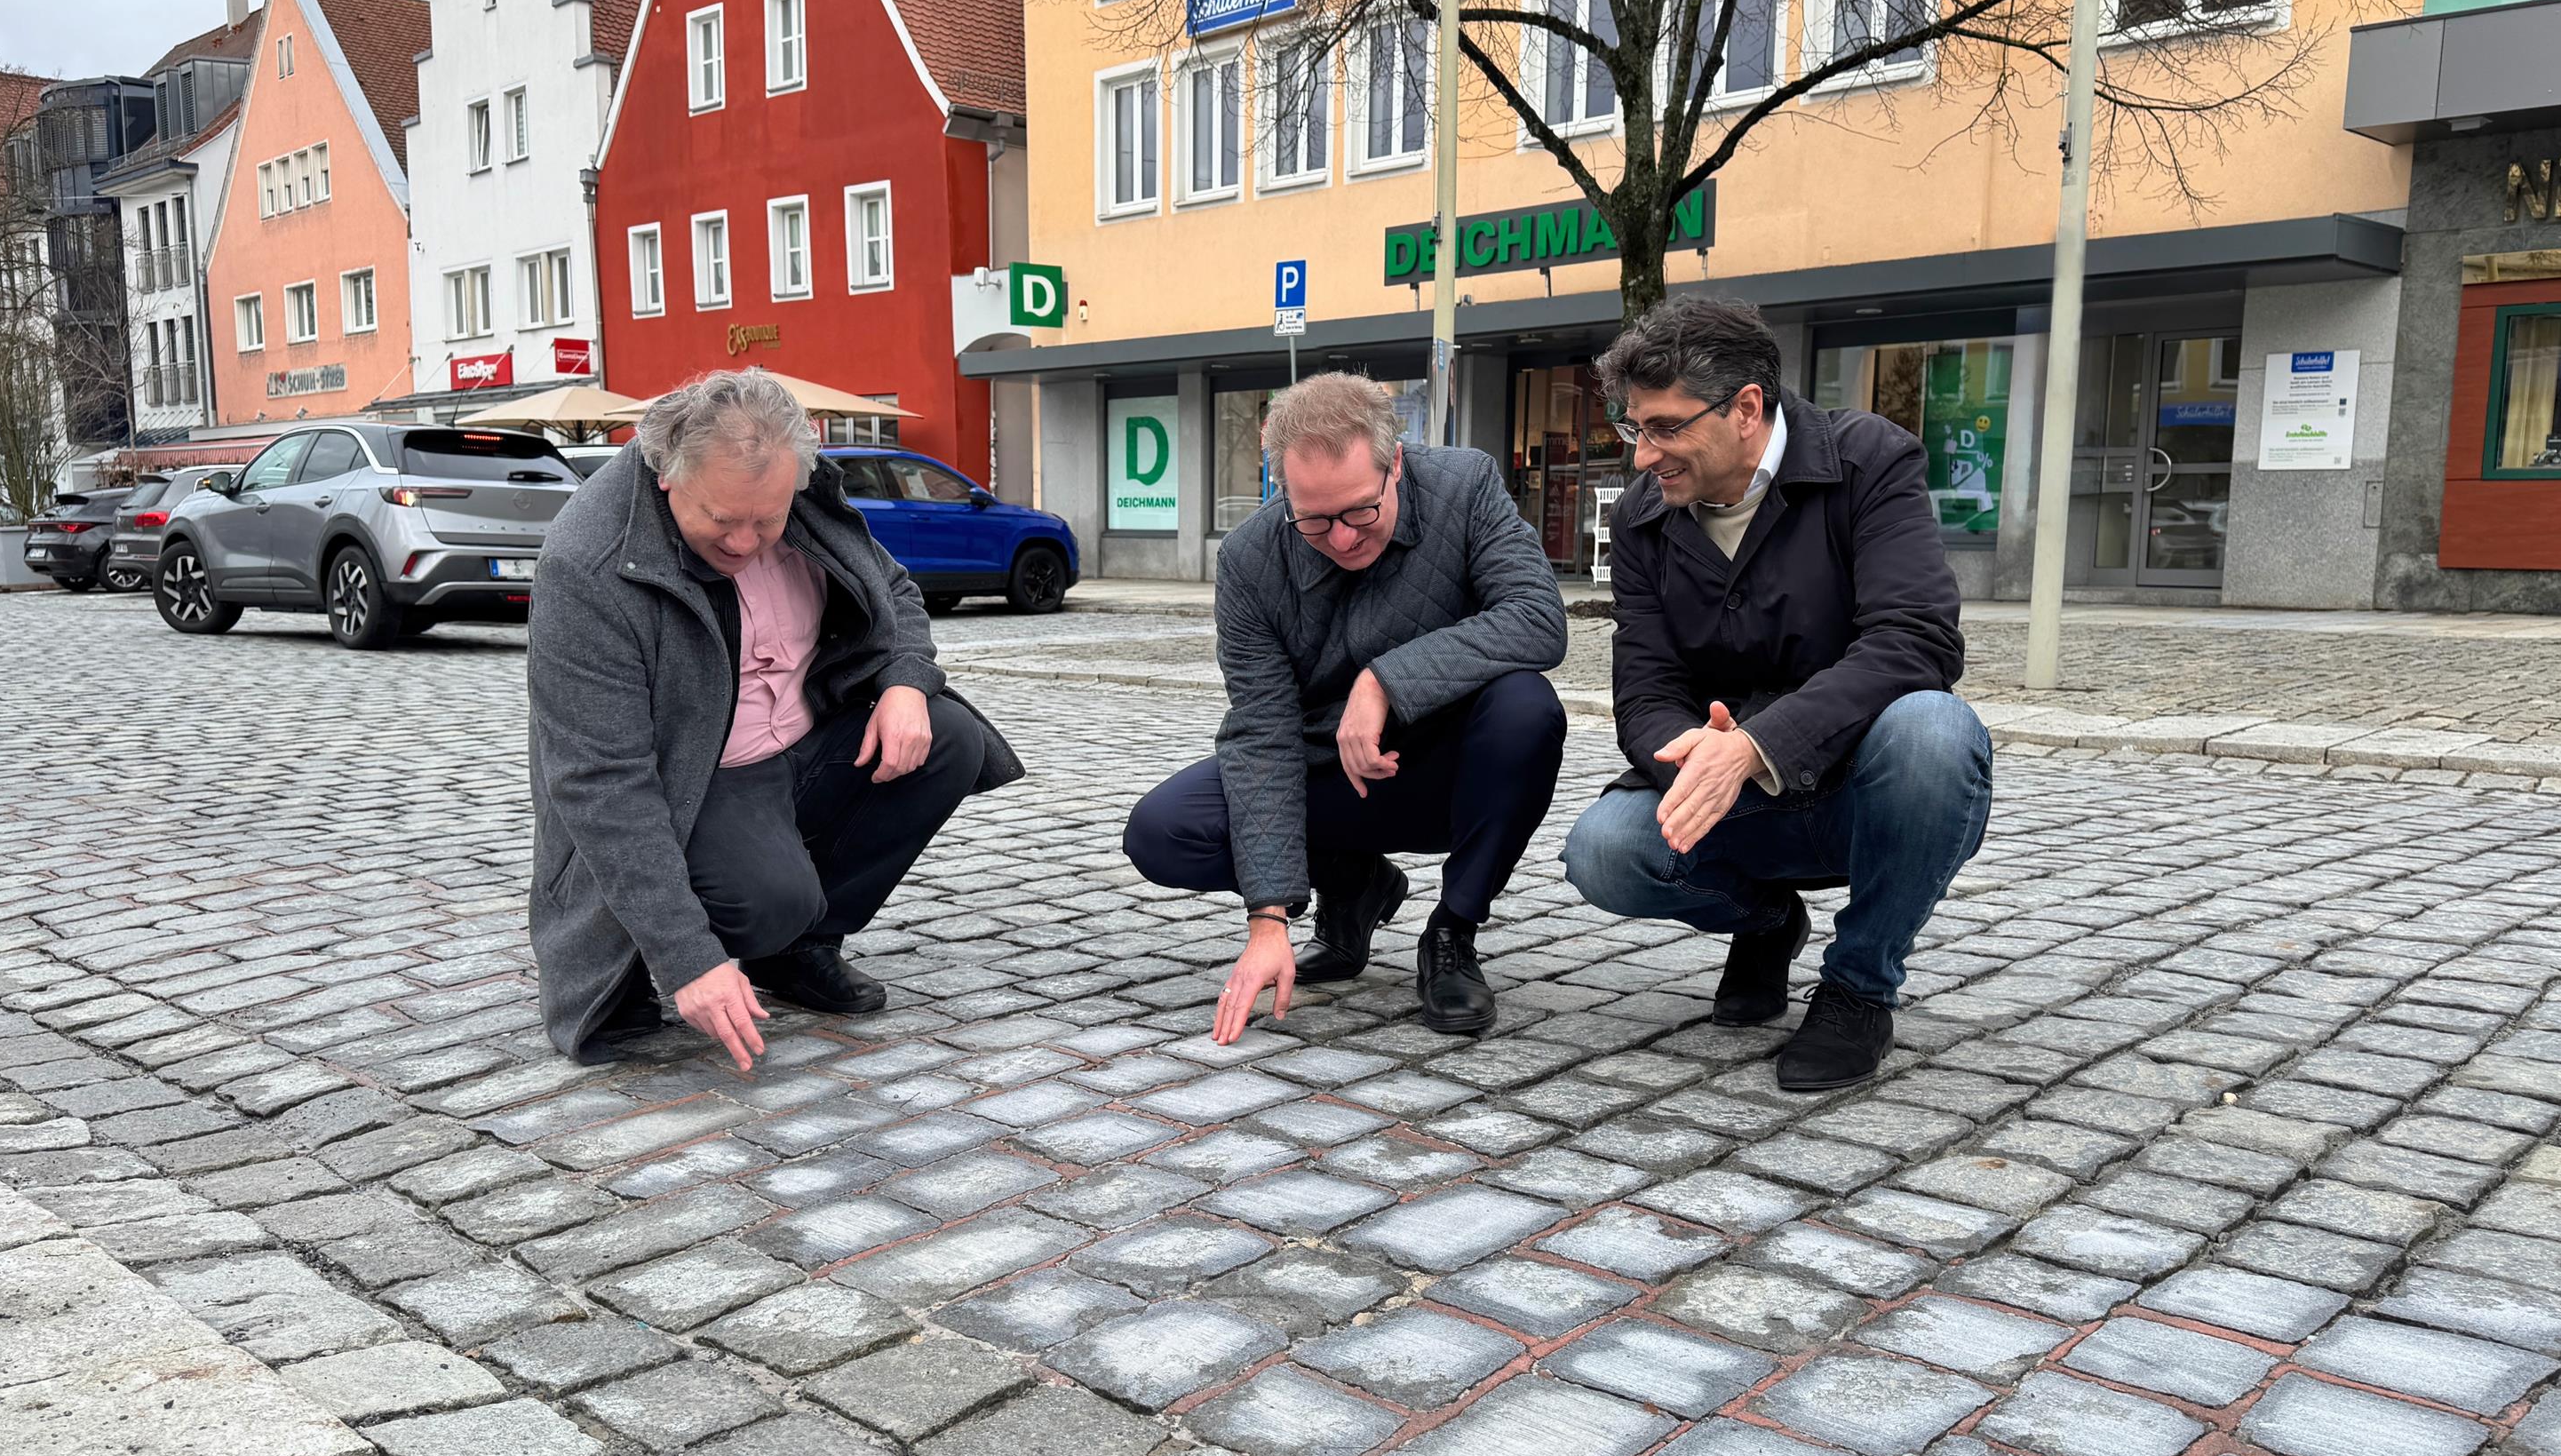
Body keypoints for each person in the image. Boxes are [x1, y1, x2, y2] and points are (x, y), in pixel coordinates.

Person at [528, 370, 1023, 1069]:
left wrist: (906, 683)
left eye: (767, 521)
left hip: (802, 741)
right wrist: (687, 957)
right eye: (722, 519)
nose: (745, 542)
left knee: (949, 737)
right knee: (767, 902)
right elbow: (601, 782)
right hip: (696, 779)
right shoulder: (588, 561)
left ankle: (796, 950)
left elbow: (895, 589)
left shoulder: (805, 499)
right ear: (668, 474)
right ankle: (703, 938)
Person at [1561, 297, 1992, 1091]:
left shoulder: (1868, 461)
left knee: (1935, 733)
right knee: (1605, 850)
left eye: (1664, 428)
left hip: (1863, 786)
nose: (1643, 456)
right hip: (1737, 802)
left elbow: (1916, 639)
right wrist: (1691, 751)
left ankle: (1859, 986)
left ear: (1747, 408)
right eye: (1634, 428)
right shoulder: (1644, 519)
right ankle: (1768, 921)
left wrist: (1757, 745)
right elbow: (1646, 687)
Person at [1125, 373, 1569, 1043]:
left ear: (1397, 465)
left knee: (1526, 707)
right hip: (1329, 772)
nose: (1340, 538)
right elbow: (1262, 733)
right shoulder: (1249, 558)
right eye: (1313, 519)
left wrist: (1384, 680)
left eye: (1361, 511)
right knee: (1163, 830)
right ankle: (1355, 883)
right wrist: (1267, 919)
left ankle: (1452, 931)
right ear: (1283, 491)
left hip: (1451, 767)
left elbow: (1537, 617)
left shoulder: (1466, 485)